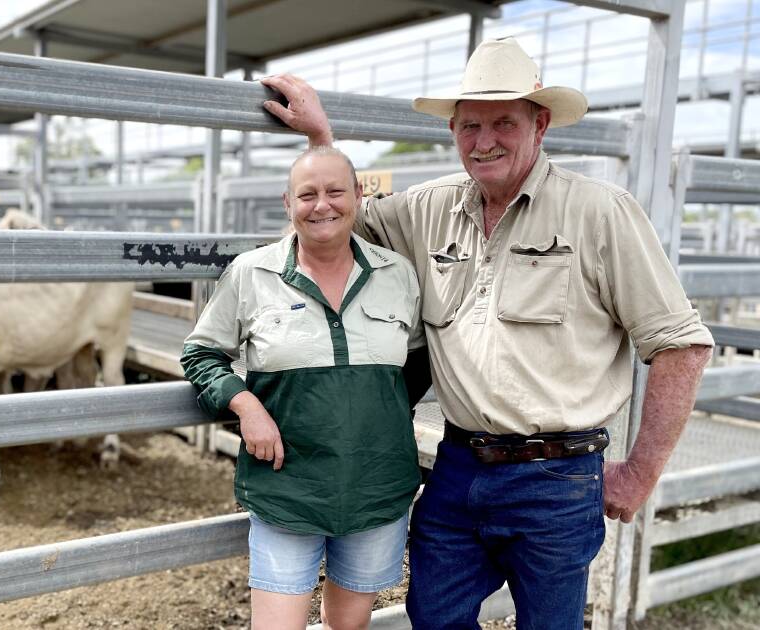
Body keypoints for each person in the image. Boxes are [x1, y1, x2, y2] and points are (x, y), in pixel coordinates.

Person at [260, 37, 714, 629]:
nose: (484, 141)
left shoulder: (600, 212)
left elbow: (681, 343)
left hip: (557, 477)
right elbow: (333, 220)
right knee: (434, 617)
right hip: (458, 467)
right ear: (452, 130)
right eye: (469, 125)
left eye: (504, 121)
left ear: (540, 123)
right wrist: (323, 143)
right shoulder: (427, 210)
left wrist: (640, 472)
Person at [181, 147, 431, 629]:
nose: (323, 205)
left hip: (375, 485)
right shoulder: (252, 273)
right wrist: (245, 403)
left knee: (348, 625)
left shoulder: (397, 275)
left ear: (359, 195)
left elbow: (418, 358)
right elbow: (201, 353)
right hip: (286, 484)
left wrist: (383, 415)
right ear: (287, 202)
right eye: (307, 194)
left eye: (336, 191)